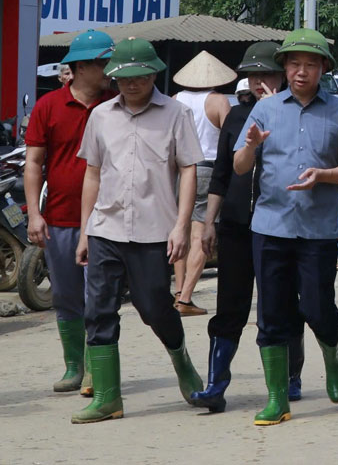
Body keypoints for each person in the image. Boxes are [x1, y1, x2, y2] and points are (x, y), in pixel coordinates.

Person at [233, 28, 338, 426]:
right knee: (271, 313)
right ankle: (277, 398)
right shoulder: (266, 110)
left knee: (316, 306)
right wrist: (252, 145)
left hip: (317, 230)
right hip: (270, 225)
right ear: (284, 68)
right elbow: (241, 167)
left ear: (323, 68)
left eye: (310, 64)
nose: (301, 71)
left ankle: (332, 353)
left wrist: (324, 176)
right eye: (294, 64)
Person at [72, 37, 206, 424]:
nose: (132, 85)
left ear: (154, 74)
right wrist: (85, 232)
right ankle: (108, 398)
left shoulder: (176, 114)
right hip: (105, 228)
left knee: (154, 307)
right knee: (98, 310)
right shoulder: (101, 116)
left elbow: (188, 170)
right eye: (124, 78)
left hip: (153, 231)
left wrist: (182, 226)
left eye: (140, 78)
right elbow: (93, 174)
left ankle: (181, 359)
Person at [190, 41, 306, 412]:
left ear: (283, 75)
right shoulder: (237, 118)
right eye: (254, 75)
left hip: (281, 227)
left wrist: (275, 113)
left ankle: (289, 376)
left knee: (282, 306)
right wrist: (209, 222)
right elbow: (222, 174)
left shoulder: (296, 114)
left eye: (267, 74)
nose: (260, 82)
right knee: (231, 307)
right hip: (238, 226)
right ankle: (216, 384)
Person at [24, 30, 116, 397]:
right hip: (61, 216)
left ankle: (97, 368)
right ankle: (74, 365)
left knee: (101, 295)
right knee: (65, 295)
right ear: (80, 67)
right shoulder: (49, 107)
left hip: (108, 218)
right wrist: (34, 213)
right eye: (103, 63)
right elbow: (33, 163)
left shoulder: (116, 103)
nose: (110, 69)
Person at [172, 51, 235, 316]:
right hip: (207, 169)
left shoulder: (175, 100)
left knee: (181, 231)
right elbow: (231, 138)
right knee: (199, 234)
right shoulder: (218, 101)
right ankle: (186, 297)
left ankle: (178, 291)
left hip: (179, 170)